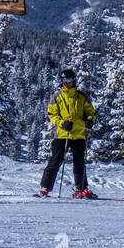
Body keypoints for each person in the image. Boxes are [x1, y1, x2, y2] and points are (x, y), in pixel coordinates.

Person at [39, 68, 97, 198]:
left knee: (79, 163)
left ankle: (81, 189)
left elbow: (91, 112)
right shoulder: (56, 96)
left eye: (69, 80)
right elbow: (52, 114)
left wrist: (90, 120)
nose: (66, 83)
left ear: (74, 81)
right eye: (64, 80)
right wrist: (62, 123)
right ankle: (45, 188)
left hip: (78, 134)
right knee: (55, 160)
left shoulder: (82, 96)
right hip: (62, 134)